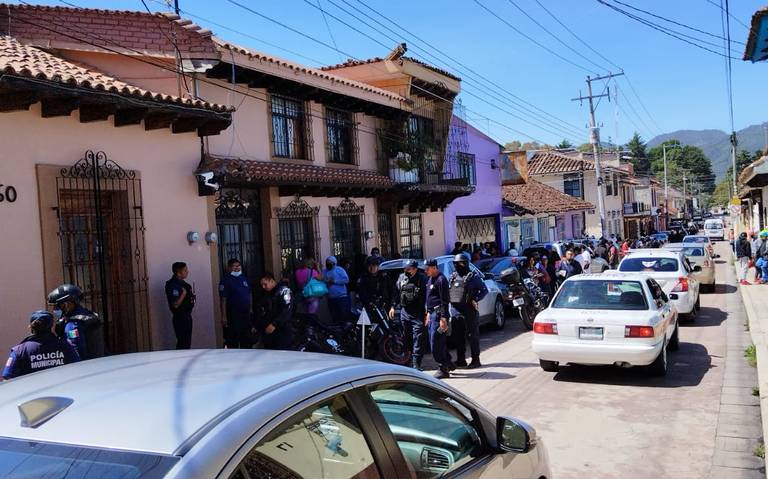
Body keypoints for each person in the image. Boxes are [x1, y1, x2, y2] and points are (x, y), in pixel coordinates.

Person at [2, 311, 80, 380]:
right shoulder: (66, 346)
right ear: (51, 326)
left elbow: (7, 377)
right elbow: (77, 369)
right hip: (63, 393)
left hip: (33, 396)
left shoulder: (19, 350)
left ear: (31, 327)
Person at [448, 254, 488, 369]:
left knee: (472, 336)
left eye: (460, 263)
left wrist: (475, 299)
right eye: (456, 264)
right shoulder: (453, 276)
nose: (458, 266)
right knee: (458, 337)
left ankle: (476, 360)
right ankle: (461, 360)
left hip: (469, 310)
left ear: (465, 263)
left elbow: (484, 290)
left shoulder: (473, 276)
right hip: (456, 311)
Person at [47, 284, 104, 360]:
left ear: (67, 304)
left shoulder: (72, 325)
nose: (55, 309)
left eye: (57, 306)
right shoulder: (87, 315)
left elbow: (76, 351)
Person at [390, 260, 428, 370]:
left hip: (418, 313)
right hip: (405, 312)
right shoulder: (401, 278)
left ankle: (416, 363)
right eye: (405, 269)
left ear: (415, 269)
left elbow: (427, 296)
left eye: (408, 269)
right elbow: (396, 293)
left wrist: (427, 312)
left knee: (418, 338)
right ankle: (408, 360)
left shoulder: (422, 278)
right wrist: (393, 306)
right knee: (406, 337)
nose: (406, 270)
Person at [425, 258, 454, 379]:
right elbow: (429, 298)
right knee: (437, 341)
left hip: (438, 316)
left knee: (435, 343)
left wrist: (443, 318)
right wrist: (427, 313)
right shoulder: (430, 279)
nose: (426, 270)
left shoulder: (441, 280)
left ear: (434, 267)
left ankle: (443, 368)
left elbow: (444, 301)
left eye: (428, 268)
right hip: (432, 314)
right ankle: (448, 363)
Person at [219, 258, 253, 349]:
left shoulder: (244, 278)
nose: (237, 268)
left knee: (246, 336)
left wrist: (250, 308)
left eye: (239, 265)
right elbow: (223, 299)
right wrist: (224, 316)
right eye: (235, 266)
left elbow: (249, 294)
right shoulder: (225, 280)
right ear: (229, 268)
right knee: (233, 337)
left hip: (245, 313)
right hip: (233, 313)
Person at [257, 272, 295, 350]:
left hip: (282, 330)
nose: (263, 287)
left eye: (265, 284)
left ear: (271, 281)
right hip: (269, 333)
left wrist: (274, 324)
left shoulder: (283, 291)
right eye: (262, 285)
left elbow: (287, 310)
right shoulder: (266, 294)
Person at [165, 262, 195, 349]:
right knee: (183, 343)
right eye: (185, 270)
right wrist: (183, 294)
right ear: (178, 272)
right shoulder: (173, 285)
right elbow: (175, 305)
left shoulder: (185, 284)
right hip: (180, 317)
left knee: (187, 342)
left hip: (187, 315)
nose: (187, 272)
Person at [323, 256, 350, 324]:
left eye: (330, 263)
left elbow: (346, 280)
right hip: (331, 298)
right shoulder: (324, 271)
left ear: (334, 263)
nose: (328, 264)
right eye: (327, 263)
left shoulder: (339, 270)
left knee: (343, 317)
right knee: (334, 317)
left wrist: (335, 281)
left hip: (341, 298)